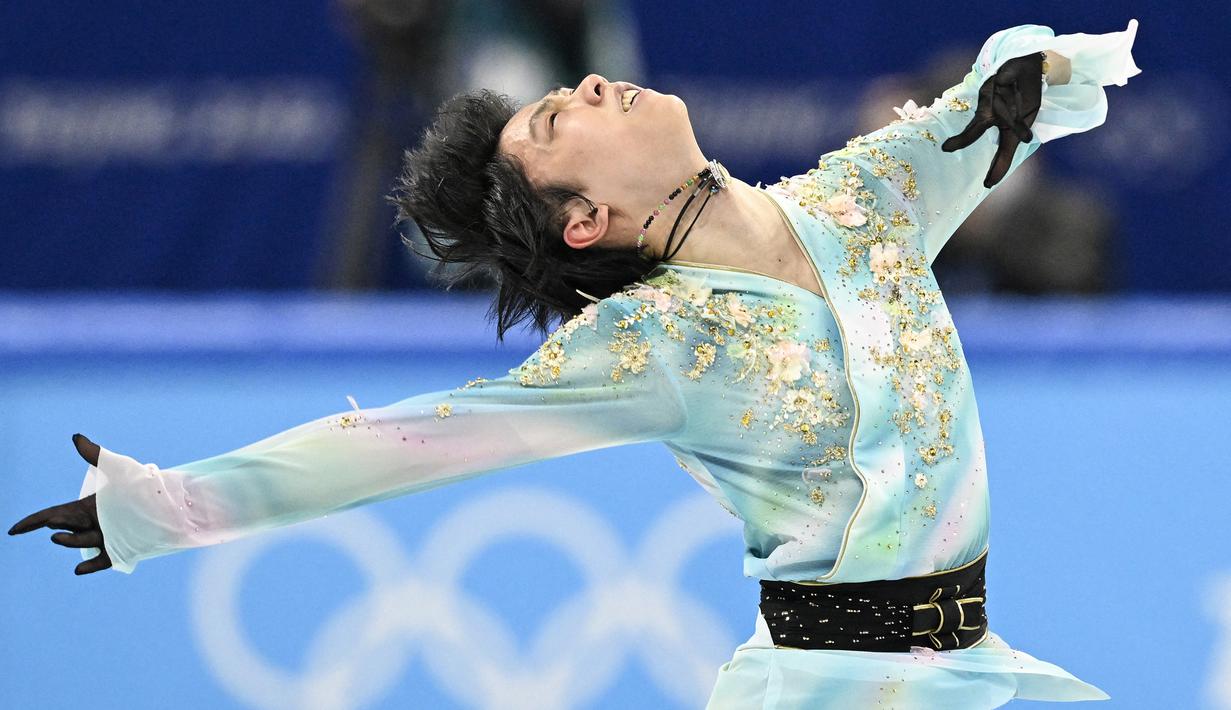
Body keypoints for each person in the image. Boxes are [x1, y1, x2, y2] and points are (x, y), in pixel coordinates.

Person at [9, 19, 1140, 708]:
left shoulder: (864, 199)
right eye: (558, 119)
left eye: (570, 93)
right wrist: (160, 508)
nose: (589, 87)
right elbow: (405, 442)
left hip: (961, 676)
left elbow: (998, 101)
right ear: (588, 218)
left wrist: (1033, 70)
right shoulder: (651, 340)